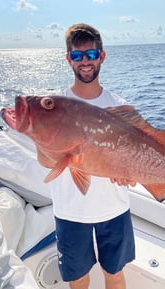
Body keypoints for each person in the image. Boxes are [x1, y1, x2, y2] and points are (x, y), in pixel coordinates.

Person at [49, 23, 135, 289]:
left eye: (91, 54)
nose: (85, 61)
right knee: (77, 279)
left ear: (102, 56)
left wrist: (130, 175)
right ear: (68, 59)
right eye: (77, 55)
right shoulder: (54, 106)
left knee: (115, 275)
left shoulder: (120, 106)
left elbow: (132, 158)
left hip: (114, 208)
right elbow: (45, 162)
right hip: (71, 212)